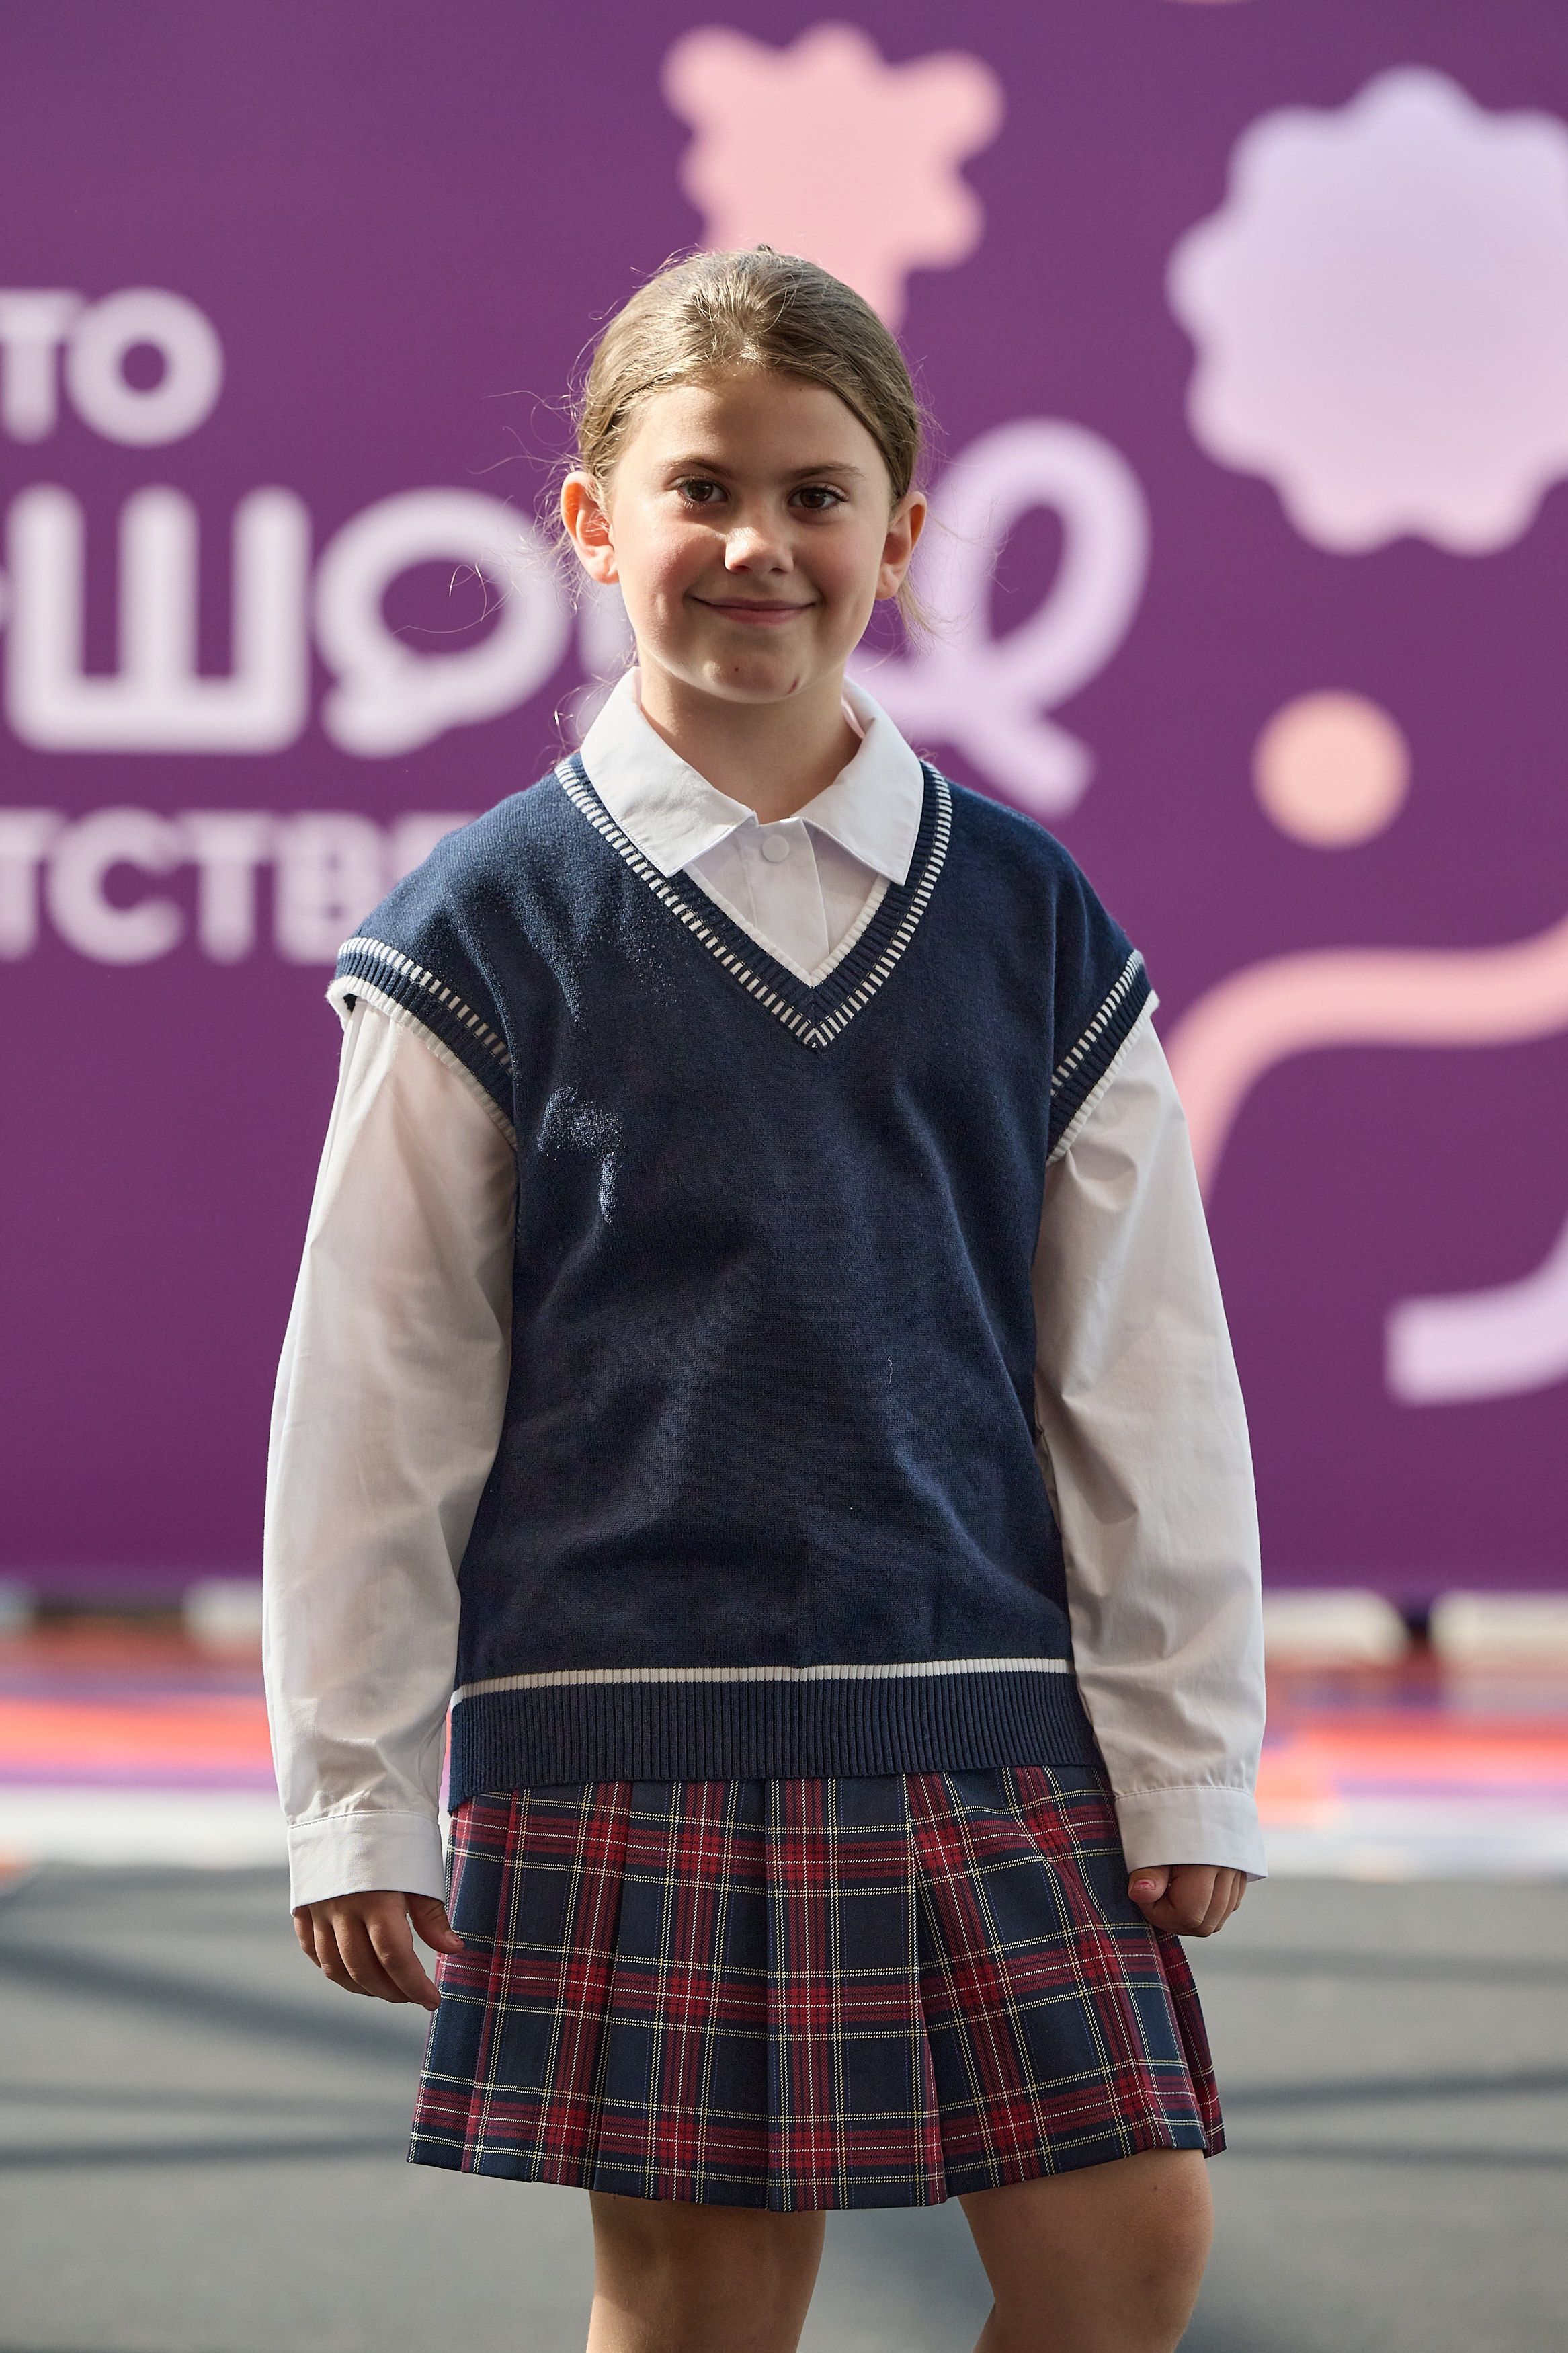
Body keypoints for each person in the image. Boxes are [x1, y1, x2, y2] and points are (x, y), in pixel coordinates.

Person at [264, 247, 1265, 2353]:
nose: (756, 545)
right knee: (704, 2302)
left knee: (1128, 2249)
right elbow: (381, 1383)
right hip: (625, 1722)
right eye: (701, 489)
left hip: (986, 1707)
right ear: (590, 520)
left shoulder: (1032, 917)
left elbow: (1142, 1365)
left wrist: (1184, 1750)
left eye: (817, 496)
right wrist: (353, 1785)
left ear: (900, 538)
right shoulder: (483, 927)